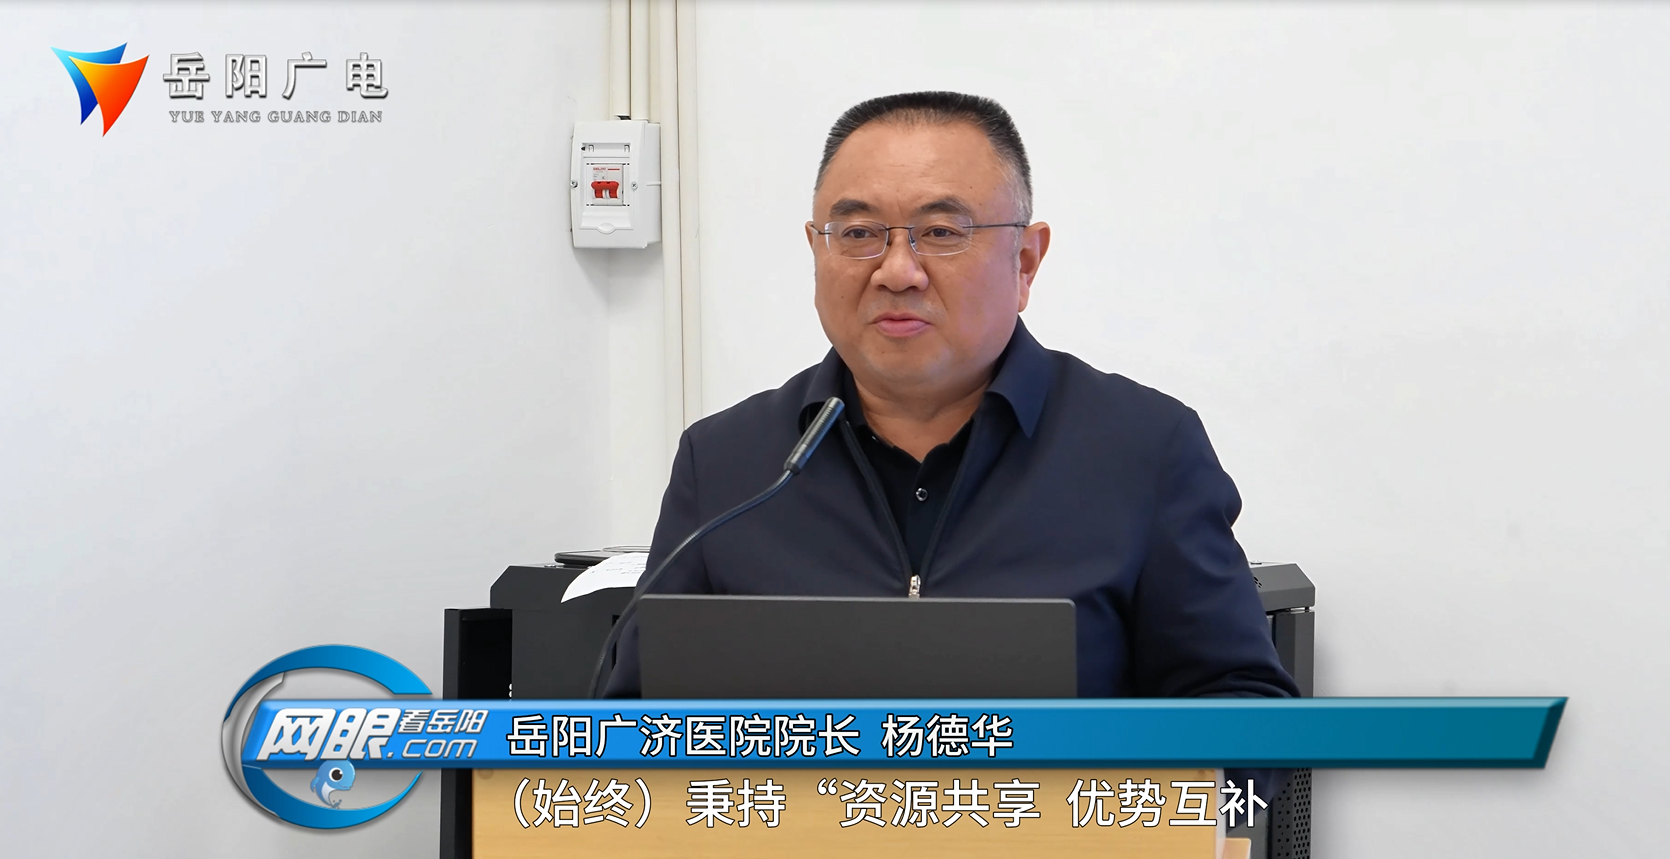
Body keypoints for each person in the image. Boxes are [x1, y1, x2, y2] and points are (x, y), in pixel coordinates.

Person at [605, 91, 1297, 712]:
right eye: (858, 234)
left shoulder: (1143, 449)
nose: (897, 271)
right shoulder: (726, 464)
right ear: (816, 251)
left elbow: (1247, 720)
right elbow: (626, 728)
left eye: (940, 233)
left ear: (1025, 261)